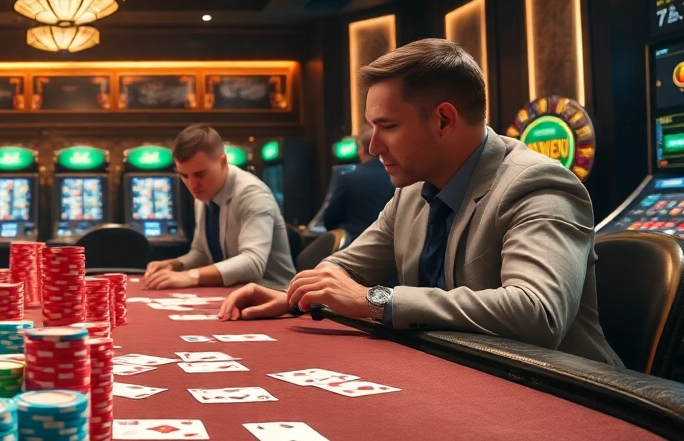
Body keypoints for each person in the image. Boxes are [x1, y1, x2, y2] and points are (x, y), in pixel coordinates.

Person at [218, 39, 622, 366]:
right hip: (457, 380)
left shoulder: (538, 183)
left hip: (567, 396)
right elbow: (344, 268)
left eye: (387, 127)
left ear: (444, 120)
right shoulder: (411, 191)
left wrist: (376, 300)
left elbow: (537, 313)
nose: (373, 146)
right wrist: (296, 294)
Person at [144, 124, 295, 291]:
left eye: (200, 174)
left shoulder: (252, 194)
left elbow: (253, 263)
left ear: (223, 162)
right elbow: (202, 253)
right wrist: (176, 265)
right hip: (232, 292)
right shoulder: (203, 193)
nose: (192, 184)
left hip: (276, 296)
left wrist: (190, 276)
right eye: (184, 175)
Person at [322, 125, 394, 241]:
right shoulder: (395, 178)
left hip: (354, 242)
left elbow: (329, 219)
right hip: (388, 245)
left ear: (361, 149)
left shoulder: (347, 178)